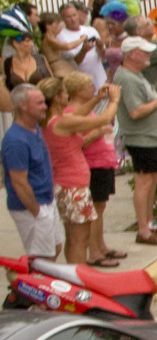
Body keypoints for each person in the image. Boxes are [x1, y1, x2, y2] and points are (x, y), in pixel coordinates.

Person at [39, 75, 115, 265]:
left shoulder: (53, 120)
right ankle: (78, 278)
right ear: (57, 97)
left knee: (73, 237)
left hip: (64, 184)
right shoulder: (61, 123)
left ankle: (72, 275)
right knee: (80, 239)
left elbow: (80, 112)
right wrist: (115, 100)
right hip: (74, 187)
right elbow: (104, 119)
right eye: (64, 92)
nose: (67, 95)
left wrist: (98, 98)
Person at [114, 37, 157, 246]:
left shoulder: (135, 75)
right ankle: (144, 230)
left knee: (152, 179)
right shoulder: (127, 78)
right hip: (142, 139)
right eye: (145, 52)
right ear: (131, 54)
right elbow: (135, 111)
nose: (149, 55)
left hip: (152, 138)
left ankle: (149, 224)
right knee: (144, 181)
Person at [3, 83, 62, 259]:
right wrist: (37, 211)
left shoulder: (35, 128)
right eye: (40, 103)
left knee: (55, 248)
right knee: (41, 259)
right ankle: (23, 285)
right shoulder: (16, 141)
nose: (45, 106)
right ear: (23, 105)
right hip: (31, 207)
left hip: (47, 201)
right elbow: (19, 182)